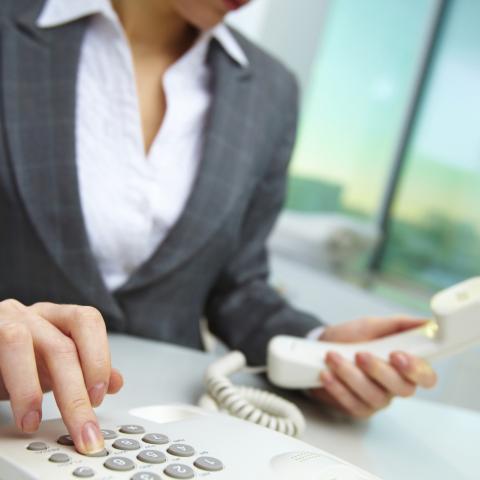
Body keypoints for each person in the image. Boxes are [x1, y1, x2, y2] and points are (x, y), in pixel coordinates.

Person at [0, 0, 436, 455]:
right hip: (17, 421)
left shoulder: (270, 91)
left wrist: (319, 353)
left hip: (165, 437)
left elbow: (238, 287)